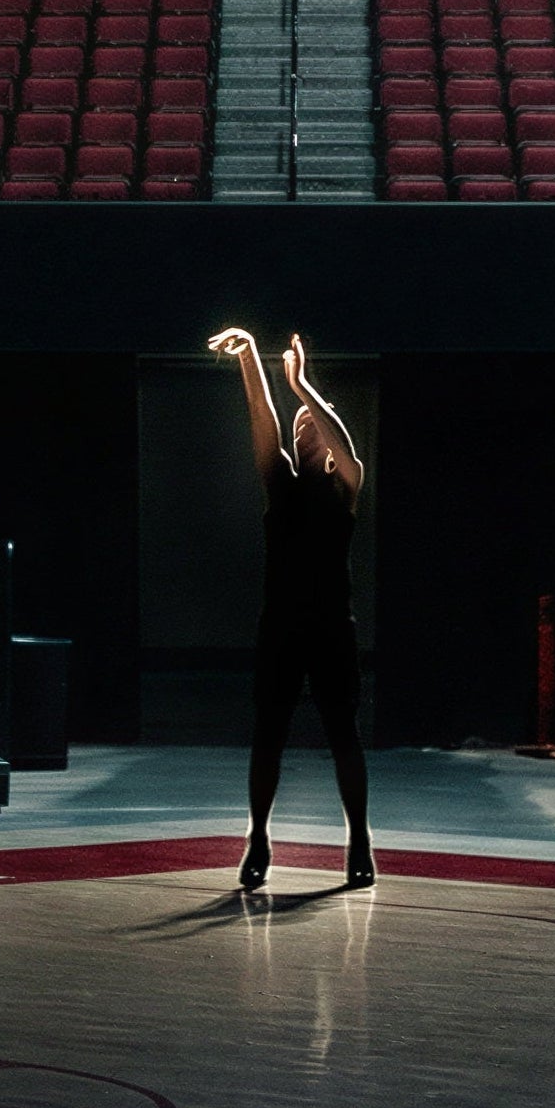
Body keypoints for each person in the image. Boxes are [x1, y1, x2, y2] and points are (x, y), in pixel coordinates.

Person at [205, 324, 374, 893]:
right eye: (299, 423)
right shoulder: (279, 480)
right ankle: (258, 835)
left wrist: (302, 387)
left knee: (343, 734)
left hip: (331, 626)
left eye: (311, 424)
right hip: (281, 626)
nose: (302, 427)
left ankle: (359, 838)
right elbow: (261, 419)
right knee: (268, 734)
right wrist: (251, 356)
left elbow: (346, 447)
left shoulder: (347, 485)